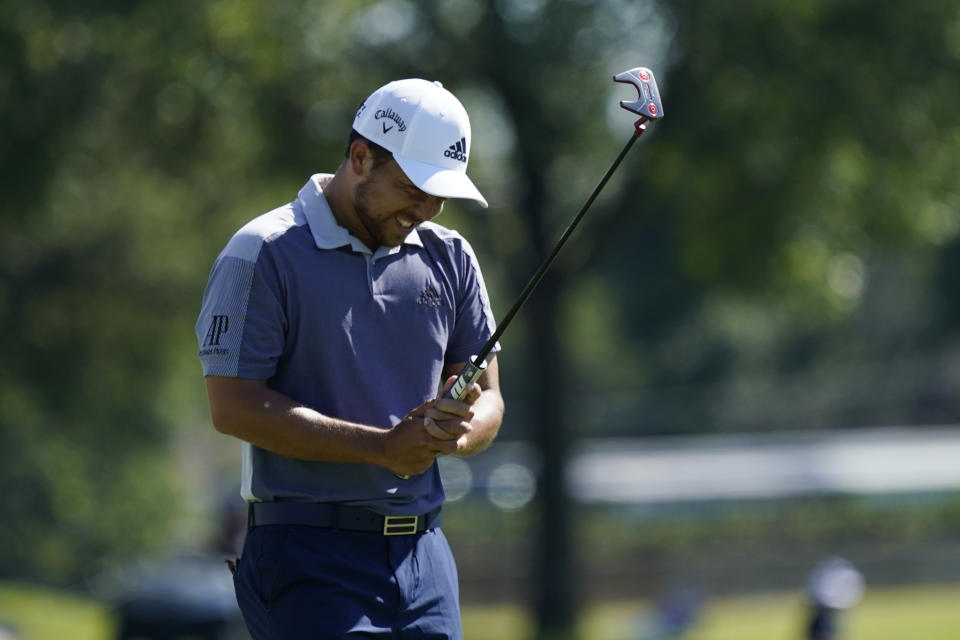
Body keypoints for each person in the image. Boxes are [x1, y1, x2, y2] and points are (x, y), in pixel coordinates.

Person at [195, 78, 505, 639]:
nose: (429, 207)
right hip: (308, 552)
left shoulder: (452, 255)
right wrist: (382, 448)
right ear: (361, 157)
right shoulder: (263, 251)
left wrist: (455, 433)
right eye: (414, 187)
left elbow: (487, 393)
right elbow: (233, 407)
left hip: (425, 553)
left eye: (441, 193)